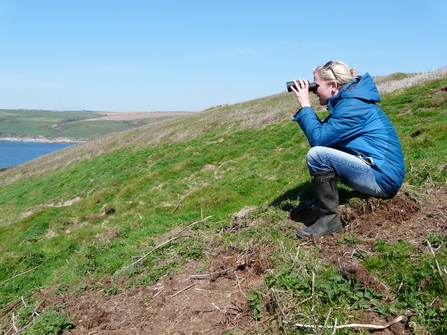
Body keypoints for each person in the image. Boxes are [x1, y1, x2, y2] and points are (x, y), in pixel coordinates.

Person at [290, 60, 405, 238]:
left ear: (333, 86)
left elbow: (318, 140)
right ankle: (321, 205)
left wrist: (305, 105)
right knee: (326, 150)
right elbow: (325, 136)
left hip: (382, 179)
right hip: (376, 171)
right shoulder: (348, 103)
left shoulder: (353, 106)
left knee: (318, 155)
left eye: (316, 86)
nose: (313, 92)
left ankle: (329, 221)